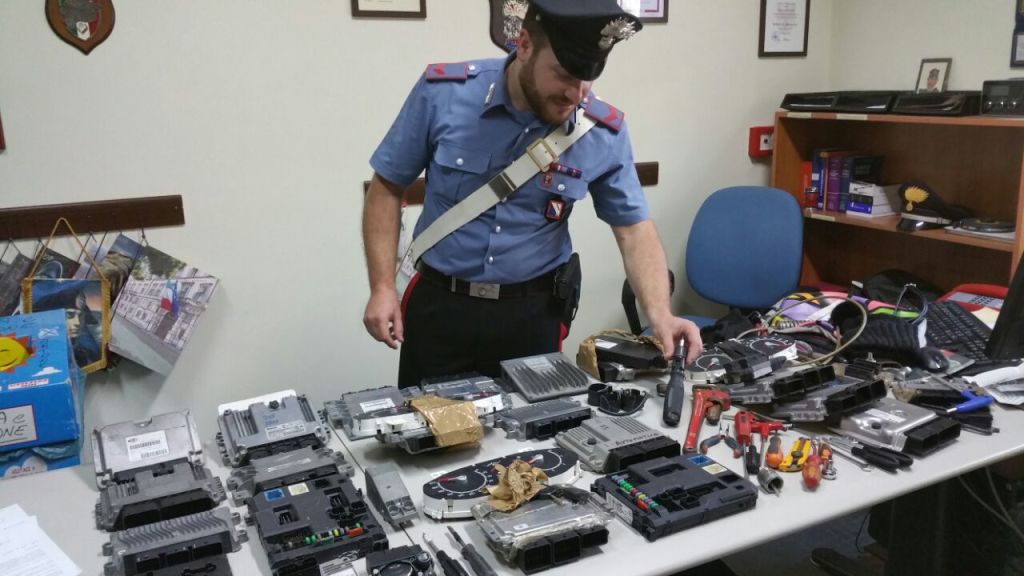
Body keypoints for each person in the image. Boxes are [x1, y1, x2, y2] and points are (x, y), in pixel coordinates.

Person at [362, 0, 702, 388]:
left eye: (587, 79)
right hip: (440, 307)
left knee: (537, 428)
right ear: (523, 45)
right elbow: (386, 187)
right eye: (563, 75)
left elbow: (634, 230)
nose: (575, 94)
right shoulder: (444, 94)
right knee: (427, 422)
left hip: (532, 316)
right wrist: (382, 287)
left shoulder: (602, 133)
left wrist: (660, 315)